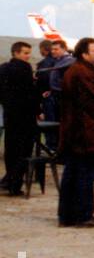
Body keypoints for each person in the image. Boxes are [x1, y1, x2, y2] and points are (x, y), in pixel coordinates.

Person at [56, 38, 94, 227]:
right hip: (85, 132)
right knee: (83, 175)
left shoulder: (81, 71)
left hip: (78, 131)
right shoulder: (82, 73)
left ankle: (68, 215)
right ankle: (82, 215)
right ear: (84, 54)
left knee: (74, 174)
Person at [0, 41, 38, 196]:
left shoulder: (3, 68)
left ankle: (9, 180)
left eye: (29, 53)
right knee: (24, 150)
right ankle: (15, 184)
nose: (28, 56)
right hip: (25, 116)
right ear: (16, 53)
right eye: (25, 53)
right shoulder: (24, 68)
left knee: (11, 149)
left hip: (10, 114)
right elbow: (30, 92)